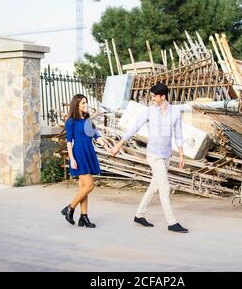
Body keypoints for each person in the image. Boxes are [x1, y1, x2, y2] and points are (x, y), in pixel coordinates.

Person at [110, 83, 189, 233]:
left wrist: (180, 154)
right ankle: (172, 223)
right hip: (153, 154)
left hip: (166, 154)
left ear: (162, 96)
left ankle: (139, 215)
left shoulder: (175, 112)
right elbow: (133, 128)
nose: (151, 98)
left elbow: (178, 134)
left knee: (154, 186)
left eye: (154, 96)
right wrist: (118, 145)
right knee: (164, 188)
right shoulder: (148, 112)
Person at [61, 94, 108, 228]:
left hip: (88, 152)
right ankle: (70, 208)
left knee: (83, 188)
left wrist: (107, 147)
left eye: (85, 102)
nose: (85, 105)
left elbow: (95, 135)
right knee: (89, 185)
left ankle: (84, 217)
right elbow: (69, 141)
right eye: (82, 103)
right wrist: (72, 159)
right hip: (79, 154)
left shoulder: (87, 119)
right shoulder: (71, 121)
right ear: (76, 104)